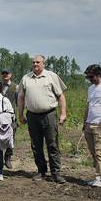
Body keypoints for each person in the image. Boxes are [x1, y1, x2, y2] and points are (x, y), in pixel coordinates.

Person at [18, 54, 67, 184]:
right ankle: (41, 171)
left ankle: (56, 173)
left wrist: (63, 114)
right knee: (36, 145)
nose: (35, 64)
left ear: (43, 64)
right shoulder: (26, 78)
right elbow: (21, 97)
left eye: (38, 62)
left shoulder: (51, 76)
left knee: (52, 144)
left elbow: (61, 96)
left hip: (49, 115)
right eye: (33, 62)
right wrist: (20, 114)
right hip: (32, 115)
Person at [0, 68, 18, 169]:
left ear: (10, 75)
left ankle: (7, 158)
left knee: (11, 138)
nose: (5, 75)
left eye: (7, 73)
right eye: (3, 73)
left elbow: (19, 101)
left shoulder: (16, 87)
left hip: (11, 117)